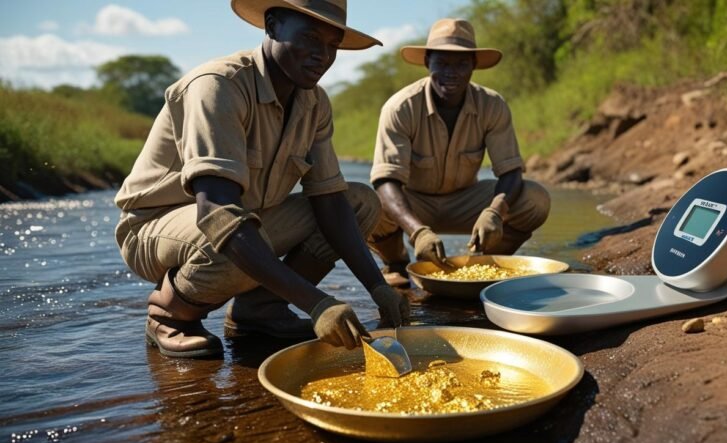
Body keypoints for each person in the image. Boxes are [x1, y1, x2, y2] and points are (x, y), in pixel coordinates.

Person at [114, 0, 409, 359]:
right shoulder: (219, 86)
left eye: (333, 45)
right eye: (312, 38)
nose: (323, 55)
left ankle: (260, 310)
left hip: (245, 219)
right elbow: (217, 212)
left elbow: (330, 199)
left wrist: (378, 286)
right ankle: (169, 315)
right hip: (154, 227)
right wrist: (318, 304)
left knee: (359, 202)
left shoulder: (314, 103)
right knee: (227, 238)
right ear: (272, 26)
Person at [368, 18, 551, 286]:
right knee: (364, 206)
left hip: (467, 201)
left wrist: (495, 212)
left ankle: (482, 263)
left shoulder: (492, 105)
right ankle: (396, 263)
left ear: (474, 66)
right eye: (442, 63)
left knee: (535, 198)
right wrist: (418, 232)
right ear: (427, 62)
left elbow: (511, 171)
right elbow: (386, 182)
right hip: (413, 202)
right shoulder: (400, 108)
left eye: (461, 64)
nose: (451, 73)